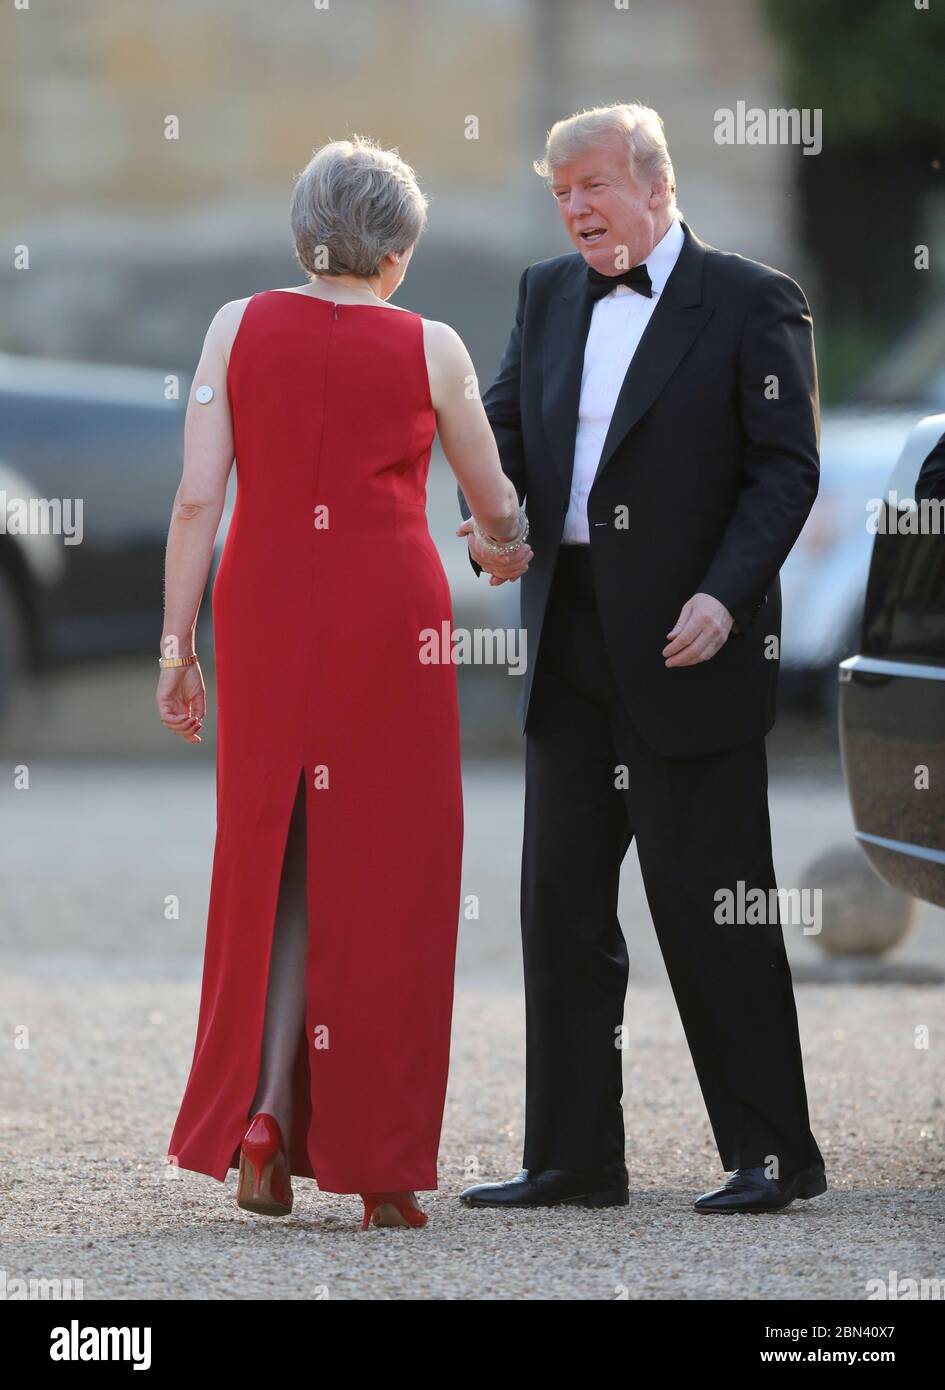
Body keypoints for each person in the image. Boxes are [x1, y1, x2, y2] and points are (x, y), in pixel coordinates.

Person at [457, 102, 826, 1214]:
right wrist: (489, 520)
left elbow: (785, 472)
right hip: (567, 639)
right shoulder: (546, 291)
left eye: (594, 186)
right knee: (559, 903)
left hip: (687, 646)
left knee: (713, 904)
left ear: (657, 187)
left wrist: (726, 593)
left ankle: (773, 1152)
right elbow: (506, 433)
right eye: (561, 190)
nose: (575, 208)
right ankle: (574, 1155)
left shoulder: (753, 300)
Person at [161, 136, 532, 1230]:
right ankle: (381, 1170)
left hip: (267, 606)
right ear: (400, 251)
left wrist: (177, 649)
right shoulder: (434, 345)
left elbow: (195, 502)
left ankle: (266, 1113)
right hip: (390, 619)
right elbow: (494, 501)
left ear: (301, 232)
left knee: (275, 853)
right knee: (392, 870)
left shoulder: (234, 325)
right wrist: (502, 545)